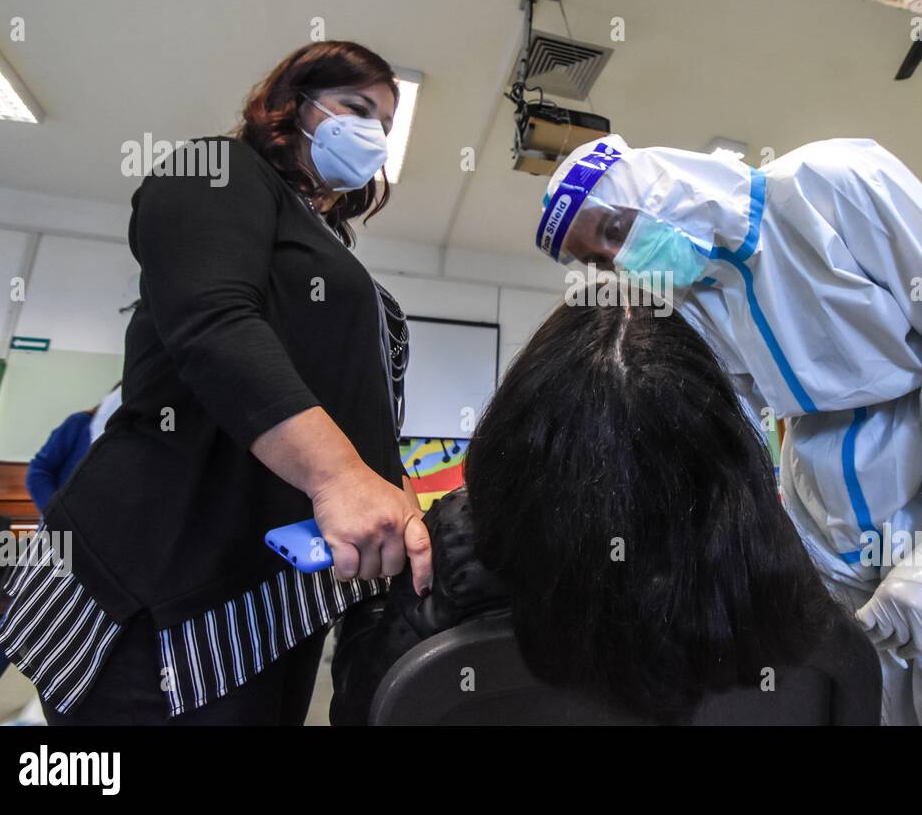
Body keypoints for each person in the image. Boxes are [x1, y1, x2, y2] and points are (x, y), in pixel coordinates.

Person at [531, 134, 922, 725]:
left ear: (660, 184)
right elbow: (731, 423)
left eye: (617, 230)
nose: (621, 260)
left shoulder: (833, 183)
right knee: (873, 705)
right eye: (600, 261)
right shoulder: (691, 298)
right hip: (833, 524)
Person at [0, 41, 432, 725]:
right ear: (295, 106)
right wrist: (340, 477)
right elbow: (215, 322)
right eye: (355, 107)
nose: (371, 132)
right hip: (168, 576)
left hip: (281, 592)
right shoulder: (219, 171)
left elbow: (359, 406)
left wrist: (392, 490)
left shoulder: (322, 244)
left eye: (384, 121)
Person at [329, 298, 880, 725]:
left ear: (511, 440)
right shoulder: (773, 574)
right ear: (727, 449)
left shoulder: (446, 561)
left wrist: (371, 595)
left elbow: (364, 707)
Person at [0, 385, 118, 724]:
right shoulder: (80, 424)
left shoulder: (133, 440)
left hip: (101, 548)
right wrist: (56, 516)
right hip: (58, 538)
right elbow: (39, 470)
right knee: (19, 620)